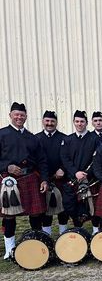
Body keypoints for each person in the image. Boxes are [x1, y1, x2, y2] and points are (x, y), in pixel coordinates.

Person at [0, 102, 48, 258]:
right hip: (10, 180)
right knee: (9, 215)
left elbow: (42, 161)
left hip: (30, 178)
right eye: (16, 114)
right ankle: (10, 249)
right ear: (10, 115)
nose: (19, 117)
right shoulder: (2, 134)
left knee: (35, 214)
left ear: (26, 116)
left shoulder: (32, 137)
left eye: (22, 115)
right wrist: (7, 167)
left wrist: (44, 179)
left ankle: (36, 242)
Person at [60, 110, 101, 229]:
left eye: (82, 121)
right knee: (72, 207)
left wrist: (87, 173)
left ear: (87, 123)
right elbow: (65, 158)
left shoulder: (95, 139)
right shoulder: (68, 140)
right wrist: (75, 172)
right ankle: (78, 232)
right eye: (77, 121)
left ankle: (95, 232)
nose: (79, 124)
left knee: (93, 208)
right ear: (73, 122)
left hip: (91, 179)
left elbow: (98, 159)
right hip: (73, 178)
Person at [36, 110, 69, 235]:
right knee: (46, 210)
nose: (49, 123)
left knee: (63, 209)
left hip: (61, 178)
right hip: (43, 179)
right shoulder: (36, 138)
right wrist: (42, 177)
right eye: (47, 121)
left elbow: (68, 157)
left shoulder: (64, 138)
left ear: (56, 122)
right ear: (43, 122)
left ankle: (63, 235)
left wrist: (63, 169)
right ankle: (47, 237)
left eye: (52, 121)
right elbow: (35, 160)